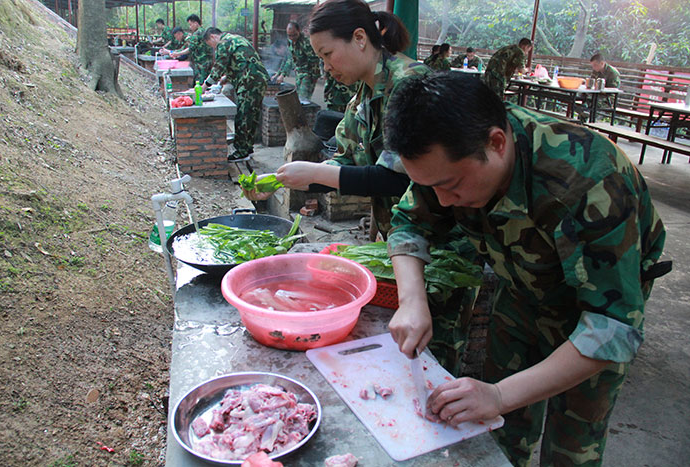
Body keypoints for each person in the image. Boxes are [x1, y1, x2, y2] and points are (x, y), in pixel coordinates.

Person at [382, 72, 669, 467]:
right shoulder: (449, 156)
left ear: (497, 143)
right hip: (519, 291)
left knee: (572, 448)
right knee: (497, 430)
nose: (444, 202)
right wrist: (412, 301)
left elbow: (612, 327)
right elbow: (409, 223)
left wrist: (499, 395)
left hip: (593, 306)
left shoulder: (589, 180)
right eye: (431, 188)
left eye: (452, 186)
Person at [256, 0, 430, 241]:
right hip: (403, 237)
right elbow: (346, 162)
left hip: (436, 240)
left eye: (328, 54)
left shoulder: (409, 83)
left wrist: (315, 173)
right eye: (321, 58)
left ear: (359, 38)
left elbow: (399, 177)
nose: (326, 67)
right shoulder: (362, 96)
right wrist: (278, 180)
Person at [202, 28, 269, 162]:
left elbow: (219, 66)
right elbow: (240, 61)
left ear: (213, 37)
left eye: (212, 45)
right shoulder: (235, 38)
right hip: (258, 79)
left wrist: (205, 86)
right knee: (251, 115)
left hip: (249, 80)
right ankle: (247, 148)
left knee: (243, 116)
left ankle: (241, 151)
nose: (214, 48)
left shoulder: (223, 42)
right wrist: (224, 80)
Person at [271, 22, 321, 101]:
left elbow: (315, 60)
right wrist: (280, 74)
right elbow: (289, 59)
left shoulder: (306, 42)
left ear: (299, 31)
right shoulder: (290, 42)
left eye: (294, 35)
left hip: (308, 73)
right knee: (297, 96)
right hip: (298, 72)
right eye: (289, 35)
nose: (292, 38)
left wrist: (314, 77)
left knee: (304, 97)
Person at [170, 15, 213, 86]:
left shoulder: (198, 33)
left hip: (201, 63)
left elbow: (190, 49)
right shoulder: (203, 31)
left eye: (190, 24)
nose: (190, 27)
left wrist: (177, 54)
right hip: (205, 62)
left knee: (200, 84)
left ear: (196, 23)